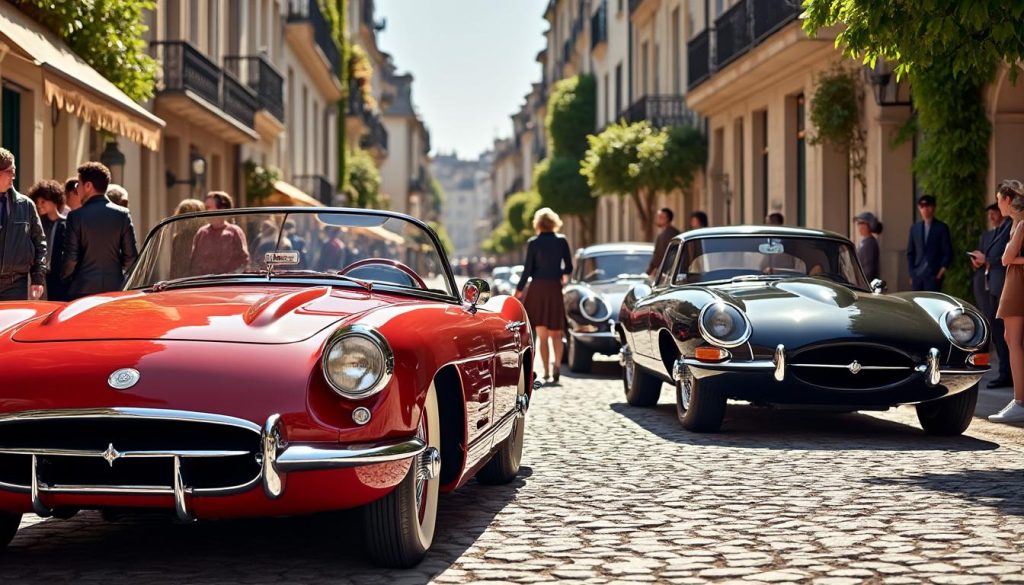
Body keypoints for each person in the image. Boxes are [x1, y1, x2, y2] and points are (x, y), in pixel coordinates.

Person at [62, 162, 138, 299]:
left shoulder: (76, 216)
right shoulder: (123, 215)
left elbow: (70, 259)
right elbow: (131, 258)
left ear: (88, 186)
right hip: (115, 289)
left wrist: (65, 279)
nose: (77, 189)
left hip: (82, 290)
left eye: (78, 184)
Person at [515, 207, 573, 384]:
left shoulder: (533, 243)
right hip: (554, 288)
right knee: (557, 333)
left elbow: (527, 271)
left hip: (538, 289)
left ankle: (546, 371)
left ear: (538, 224)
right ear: (554, 222)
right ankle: (557, 367)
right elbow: (569, 267)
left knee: (542, 335)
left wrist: (518, 290)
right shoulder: (562, 241)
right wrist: (560, 273)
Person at [990, 179, 1024, 423]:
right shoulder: (1015, 223)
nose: (997, 204)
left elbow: (1006, 258)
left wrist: (1013, 259)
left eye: (999, 199)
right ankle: (1018, 399)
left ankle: (1020, 401)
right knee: (1010, 339)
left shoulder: (1020, 223)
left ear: (1008, 199)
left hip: (1018, 282)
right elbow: (1005, 258)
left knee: (1012, 340)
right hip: (1014, 280)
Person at [0, 149, 46, 301]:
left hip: (15, 285)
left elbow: (39, 243)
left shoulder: (26, 205)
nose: (14, 176)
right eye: (10, 171)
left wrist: (37, 278)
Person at [189, 191, 249, 275]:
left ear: (221, 209)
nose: (205, 211)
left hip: (228, 283)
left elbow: (244, 262)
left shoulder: (235, 232)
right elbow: (194, 264)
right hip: (204, 284)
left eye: (208, 207)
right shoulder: (202, 233)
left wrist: (230, 276)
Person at [30, 180, 69, 301]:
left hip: (60, 278)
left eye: (43, 201)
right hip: (41, 276)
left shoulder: (66, 224)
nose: (39, 205)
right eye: (37, 202)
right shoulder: (37, 225)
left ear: (55, 201)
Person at [906, 194, 952, 292]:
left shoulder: (941, 228)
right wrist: (912, 273)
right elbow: (910, 252)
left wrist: (941, 271)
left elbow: (948, 252)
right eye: (922, 207)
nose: (925, 209)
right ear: (919, 208)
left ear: (933, 207)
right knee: (917, 303)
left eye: (928, 206)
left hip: (933, 275)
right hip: (917, 274)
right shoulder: (915, 228)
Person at [969, 204, 1004, 326]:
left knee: (998, 318)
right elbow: (980, 255)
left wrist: (986, 260)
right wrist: (975, 261)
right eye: (989, 214)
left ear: (1001, 213)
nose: (990, 217)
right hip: (982, 279)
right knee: (986, 315)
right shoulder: (986, 235)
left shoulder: (1007, 233)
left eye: (993, 213)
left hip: (997, 279)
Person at [169, 198, 206, 280]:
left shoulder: (204, 234)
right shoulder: (178, 238)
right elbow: (174, 267)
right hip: (185, 283)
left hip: (200, 282)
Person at [646, 208, 682, 278]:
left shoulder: (670, 234)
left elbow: (659, 255)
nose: (658, 219)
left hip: (667, 273)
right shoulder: (663, 234)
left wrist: (651, 270)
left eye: (661, 217)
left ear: (667, 219)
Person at [854, 211, 883, 282]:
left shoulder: (870, 243)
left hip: (866, 284)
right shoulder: (864, 242)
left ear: (867, 225)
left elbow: (868, 269)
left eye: (860, 223)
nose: (858, 226)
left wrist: (862, 282)